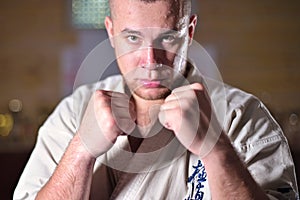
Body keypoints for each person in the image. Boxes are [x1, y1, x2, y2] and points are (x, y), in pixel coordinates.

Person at [14, 0, 298, 199]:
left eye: (168, 38)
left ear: (189, 32)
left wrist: (215, 149)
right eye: (133, 38)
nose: (151, 61)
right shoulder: (73, 113)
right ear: (112, 32)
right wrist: (81, 151)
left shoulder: (243, 118)